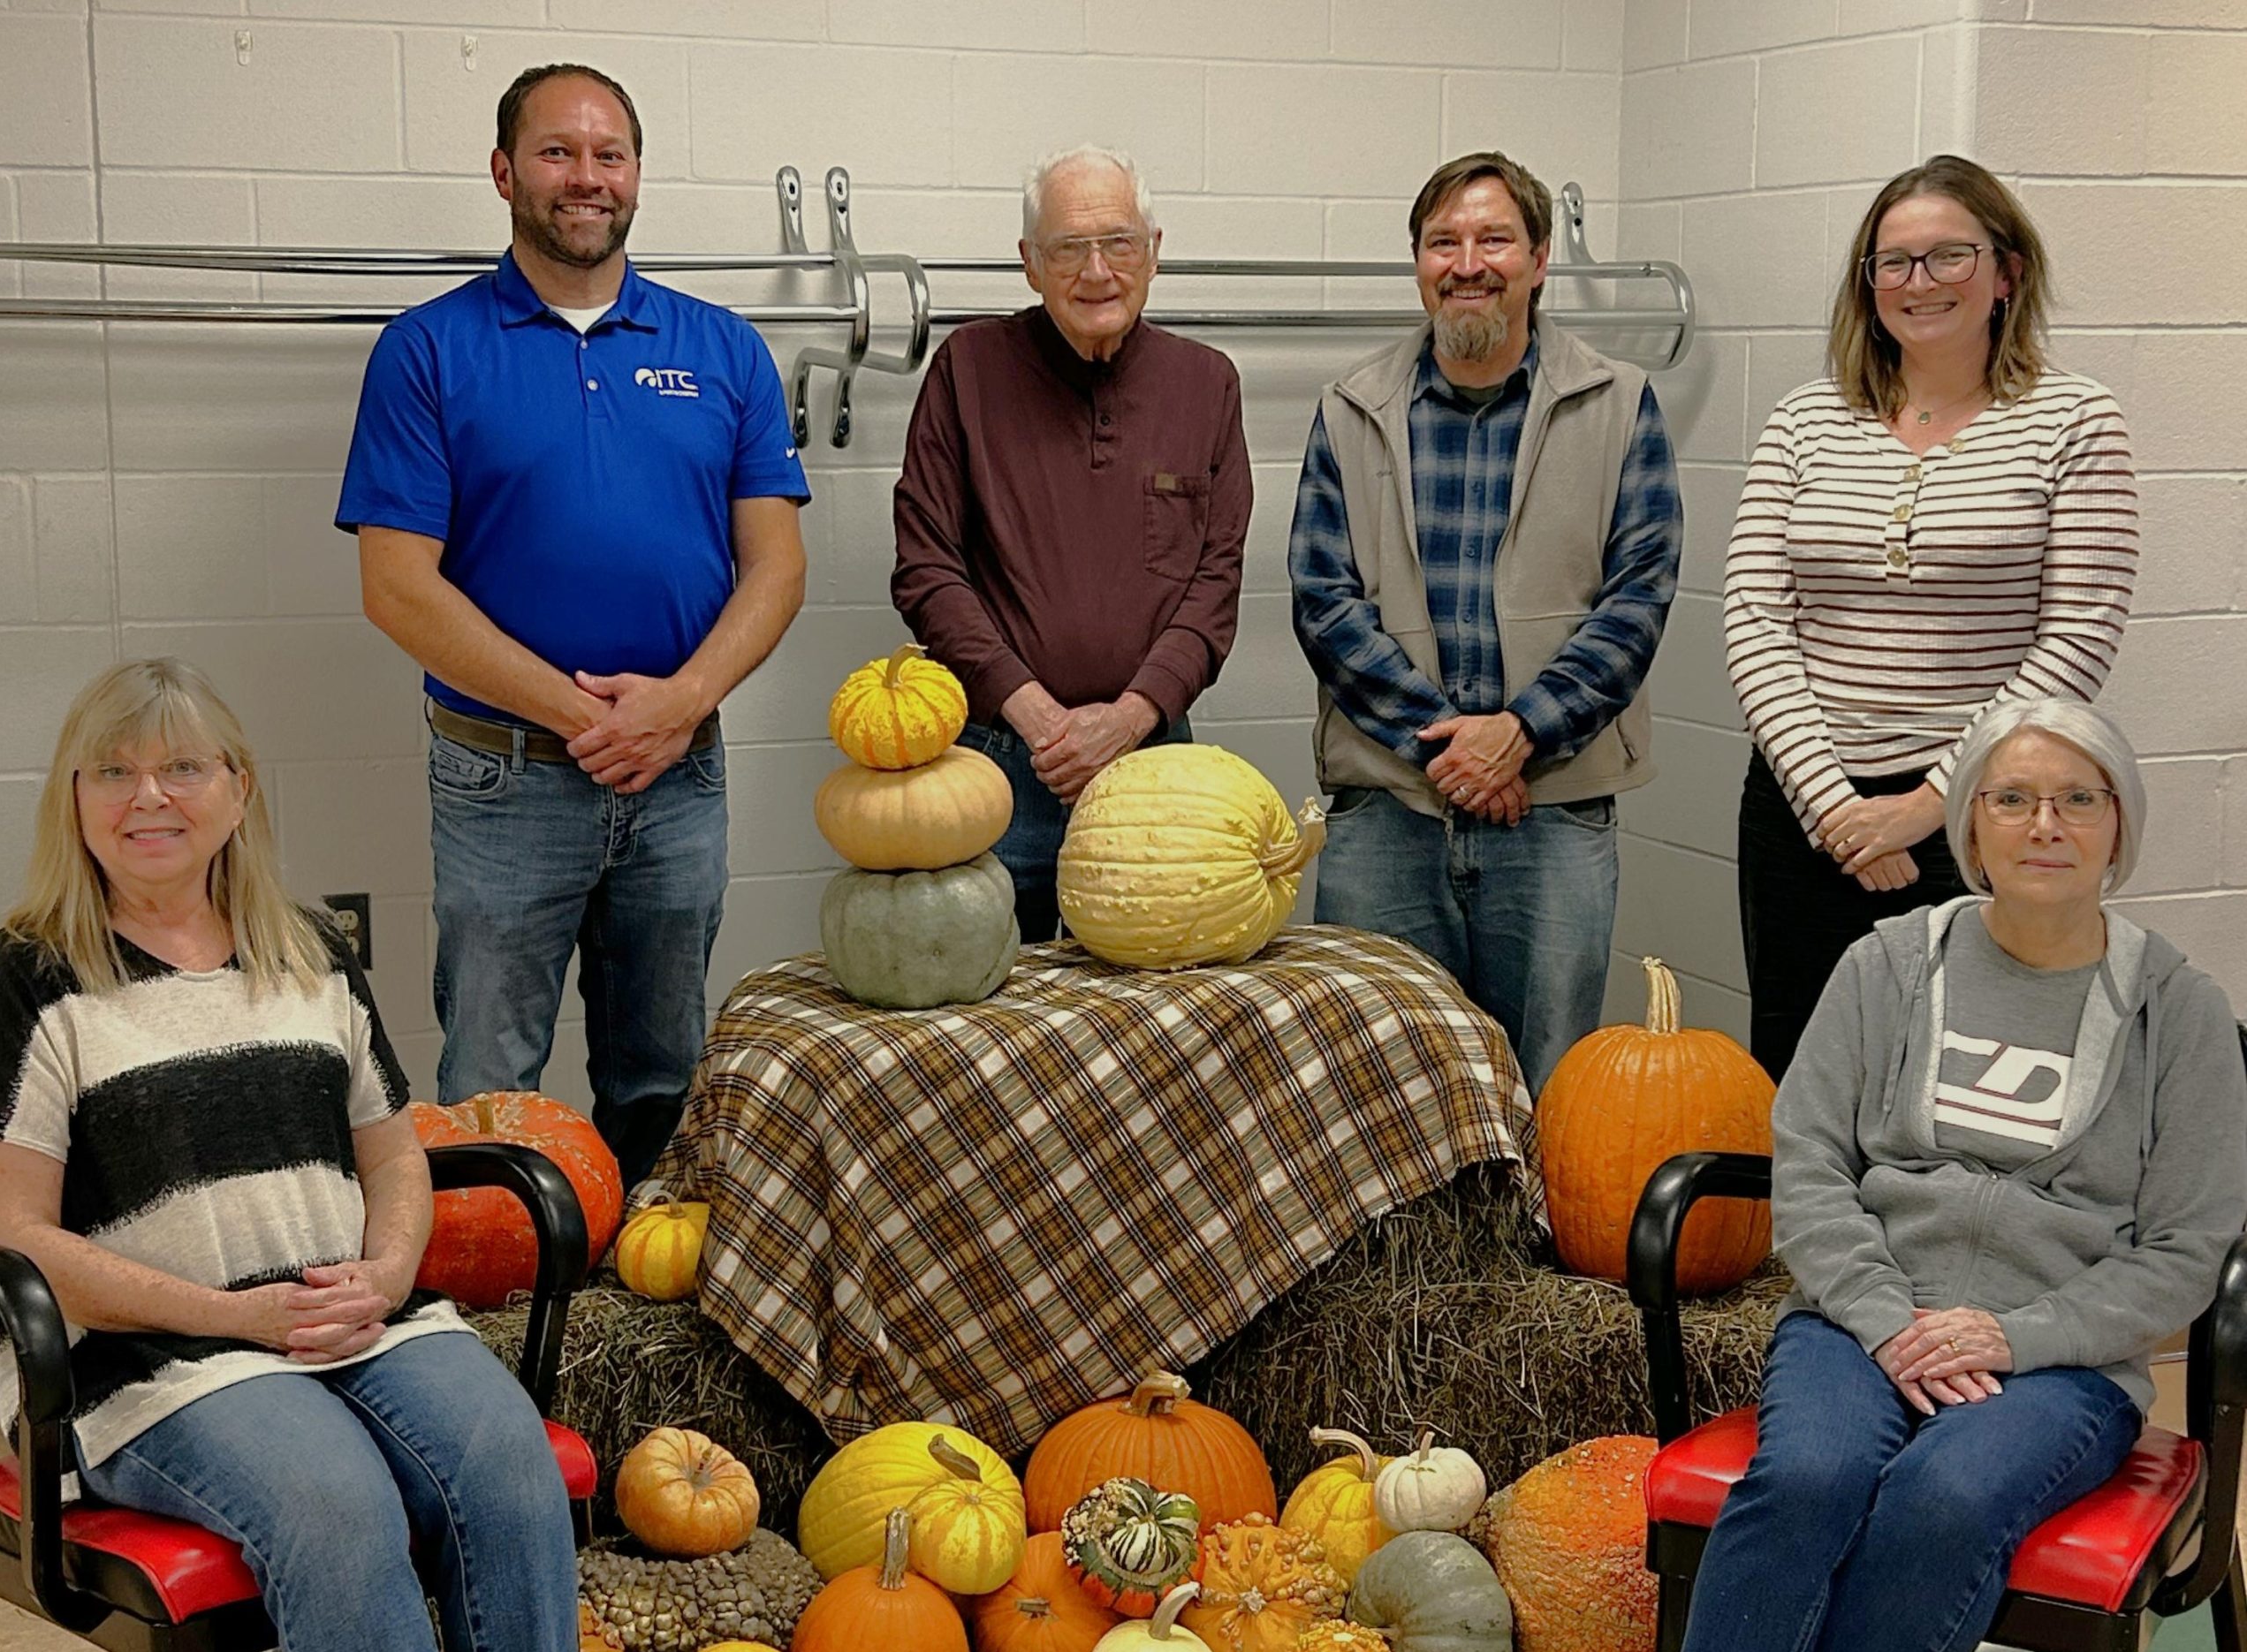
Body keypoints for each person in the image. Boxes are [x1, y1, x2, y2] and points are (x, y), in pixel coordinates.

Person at [1553, 700, 2247, 1652]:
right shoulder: (1886, 965)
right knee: (1808, 1478)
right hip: (1856, 1315)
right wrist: (1885, 1318)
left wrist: (2013, 1336)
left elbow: (2188, 1251)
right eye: (2010, 799)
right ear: (1970, 827)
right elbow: (1813, 1169)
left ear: (2120, 825)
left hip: (2060, 1359)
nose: (2043, 824)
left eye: (2077, 799)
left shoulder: (2177, 1012)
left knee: (1944, 1496)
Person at [0, 659, 578, 1652]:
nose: (146, 796)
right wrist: (239, 1318)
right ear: (72, 798)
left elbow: (398, 1160)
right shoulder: (30, 974)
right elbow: (14, 1236)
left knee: (507, 1465)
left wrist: (388, 1274)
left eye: (180, 767)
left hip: (351, 1316)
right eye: (110, 770)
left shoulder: (309, 950)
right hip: (156, 1359)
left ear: (239, 789)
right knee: (336, 1507)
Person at [338, 62, 809, 1185]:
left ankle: (641, 1319)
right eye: (557, 152)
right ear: (504, 171)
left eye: (609, 155)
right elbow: (397, 586)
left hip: (678, 774)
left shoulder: (723, 348)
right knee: (492, 1080)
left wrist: (678, 707)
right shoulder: (429, 349)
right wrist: (590, 717)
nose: (585, 178)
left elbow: (777, 566)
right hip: (506, 778)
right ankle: (502, 1323)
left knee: (664, 1071)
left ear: (637, 174)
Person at [1727, 154, 2137, 1084]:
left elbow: (2076, 635)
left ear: (2006, 272)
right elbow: (1753, 617)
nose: (1920, 283)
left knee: (1959, 1073)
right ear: (1867, 285)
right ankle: (1808, 1240)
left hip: (1981, 813)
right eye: (1893, 263)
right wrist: (1833, 807)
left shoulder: (2074, 420)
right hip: (1801, 800)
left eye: (1948, 256)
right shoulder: (1804, 420)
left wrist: (1929, 807)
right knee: (1803, 1068)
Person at [1290, 151, 1681, 1095]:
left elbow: (1638, 594)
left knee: (1544, 1089)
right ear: (1418, 262)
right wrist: (1451, 752)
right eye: (1443, 242)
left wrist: (1517, 735)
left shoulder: (1620, 403)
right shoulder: (1352, 407)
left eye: (1494, 238)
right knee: (1377, 1093)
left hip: (1551, 809)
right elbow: (1321, 596)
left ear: (1539, 258)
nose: (1468, 262)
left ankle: (1527, 1253)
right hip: (1387, 809)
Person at [892, 144, 1249, 942]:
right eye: (1068, 248)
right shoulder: (967, 369)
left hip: (1155, 761)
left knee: (1154, 1022)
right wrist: (1042, 721)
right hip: (999, 763)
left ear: (1154, 251)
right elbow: (926, 570)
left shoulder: (1208, 383)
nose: (1097, 271)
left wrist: (1126, 720)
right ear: (1029, 263)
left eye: (1119, 242)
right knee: (989, 1020)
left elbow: (1215, 584)